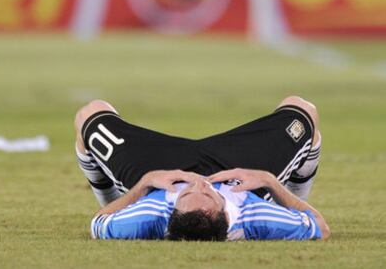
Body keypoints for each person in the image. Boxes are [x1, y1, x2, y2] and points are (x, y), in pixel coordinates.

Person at [75, 95, 329, 241]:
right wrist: (269, 180)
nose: (199, 182)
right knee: (303, 111)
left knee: (90, 114)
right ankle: (294, 203)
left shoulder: (148, 215)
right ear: (226, 215)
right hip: (239, 174)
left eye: (186, 194)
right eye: (208, 193)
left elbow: (98, 222)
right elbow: (321, 227)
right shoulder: (254, 216)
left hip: (162, 173)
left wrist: (146, 181)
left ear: (172, 211)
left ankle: (116, 202)